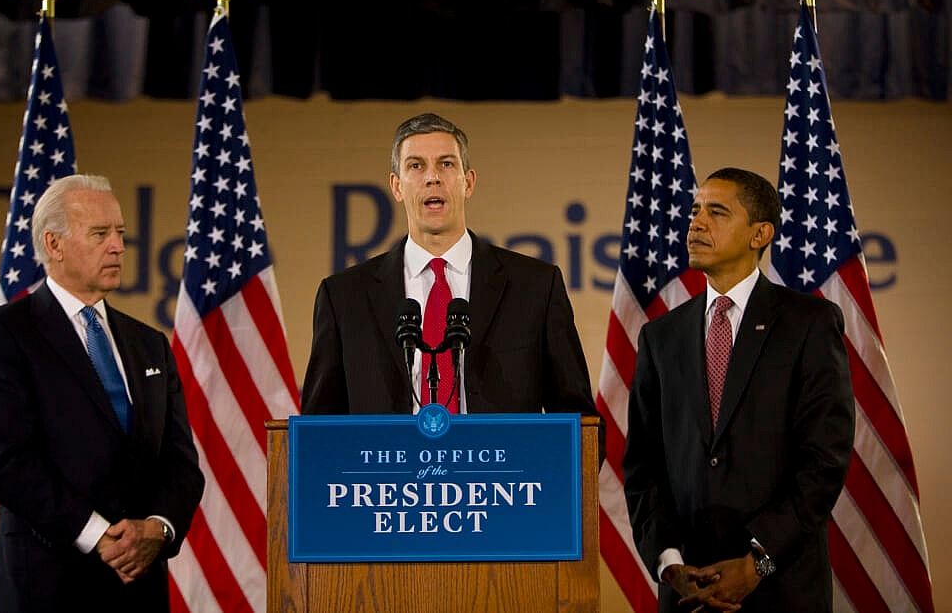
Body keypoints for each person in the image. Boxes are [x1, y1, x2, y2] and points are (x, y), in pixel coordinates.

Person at [0, 174, 204, 613]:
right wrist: (99, 536)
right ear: (53, 245)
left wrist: (158, 529)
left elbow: (181, 464)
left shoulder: (150, 344)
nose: (118, 246)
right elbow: (5, 464)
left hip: (138, 588)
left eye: (121, 233)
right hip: (46, 587)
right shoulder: (3, 335)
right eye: (100, 234)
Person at [622, 167, 855, 612]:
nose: (697, 222)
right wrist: (670, 564)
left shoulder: (808, 324)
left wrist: (756, 564)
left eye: (717, 212)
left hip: (778, 587)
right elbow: (643, 467)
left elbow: (824, 461)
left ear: (759, 233)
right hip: (689, 593)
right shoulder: (661, 337)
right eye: (694, 211)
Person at [301, 112, 598, 420]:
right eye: (416, 166)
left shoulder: (536, 286)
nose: (433, 177)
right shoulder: (344, 297)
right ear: (397, 186)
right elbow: (317, 427)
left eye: (446, 164)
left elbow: (577, 420)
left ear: (468, 182)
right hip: (389, 469)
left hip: (498, 469)